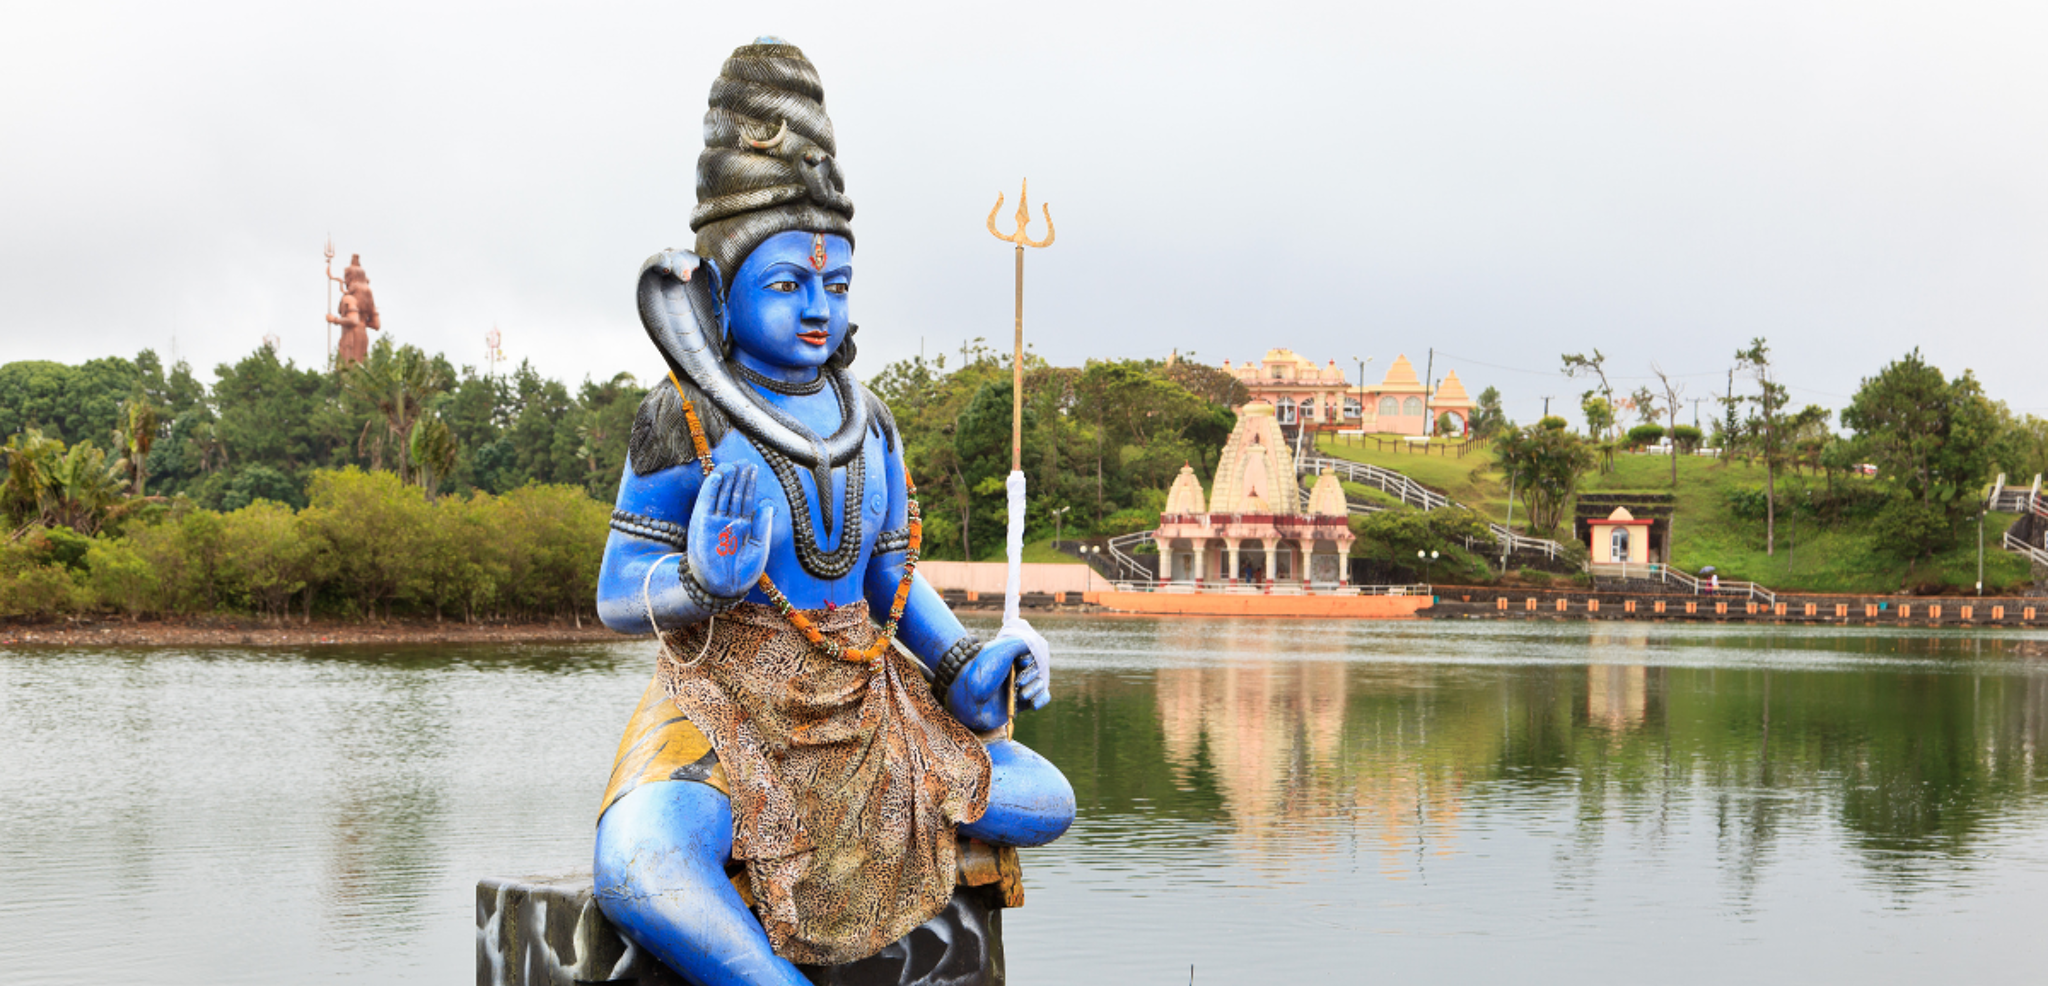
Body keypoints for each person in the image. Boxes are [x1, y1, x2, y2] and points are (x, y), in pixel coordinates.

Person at [589, 38, 1073, 986]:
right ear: (718, 295)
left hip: (866, 701)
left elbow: (890, 576)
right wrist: (698, 580)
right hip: (724, 701)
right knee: (639, 864)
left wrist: (965, 663)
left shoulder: (869, 420)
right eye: (788, 283)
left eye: (836, 283)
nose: (819, 308)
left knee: (1045, 798)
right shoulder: (685, 414)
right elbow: (615, 590)